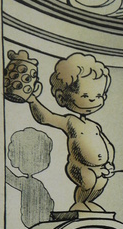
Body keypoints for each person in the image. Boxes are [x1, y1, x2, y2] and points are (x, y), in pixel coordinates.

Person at [22, 52, 115, 212]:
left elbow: (107, 144)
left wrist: (109, 162)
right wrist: (32, 101)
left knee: (100, 183)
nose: (93, 100)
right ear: (62, 97)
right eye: (85, 95)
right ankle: (79, 204)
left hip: (100, 167)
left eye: (99, 95)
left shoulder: (94, 125)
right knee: (89, 181)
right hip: (79, 167)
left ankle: (87, 203)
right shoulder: (70, 121)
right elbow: (46, 118)